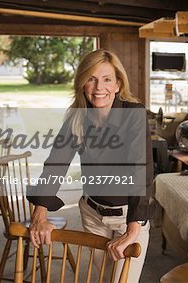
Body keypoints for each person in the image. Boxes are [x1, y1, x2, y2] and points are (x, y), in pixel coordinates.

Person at [27, 49, 153, 282]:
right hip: (92, 214)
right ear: (82, 84)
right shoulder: (77, 117)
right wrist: (39, 213)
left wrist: (133, 230)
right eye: (91, 79)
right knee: (103, 278)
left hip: (127, 217)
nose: (98, 88)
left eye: (106, 79)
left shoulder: (134, 115)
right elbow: (56, 163)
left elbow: (140, 171)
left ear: (117, 84)